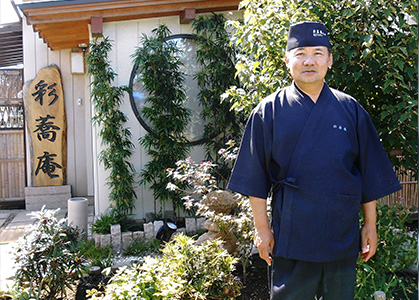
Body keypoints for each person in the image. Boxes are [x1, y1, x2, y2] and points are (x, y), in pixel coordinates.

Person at [227, 21, 401, 300]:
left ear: (329, 60)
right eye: (300, 53)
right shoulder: (268, 111)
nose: (309, 60)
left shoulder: (351, 110)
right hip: (293, 235)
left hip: (341, 235)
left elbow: (370, 173)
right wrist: (262, 230)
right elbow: (254, 178)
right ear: (288, 61)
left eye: (318, 53)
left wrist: (370, 225)